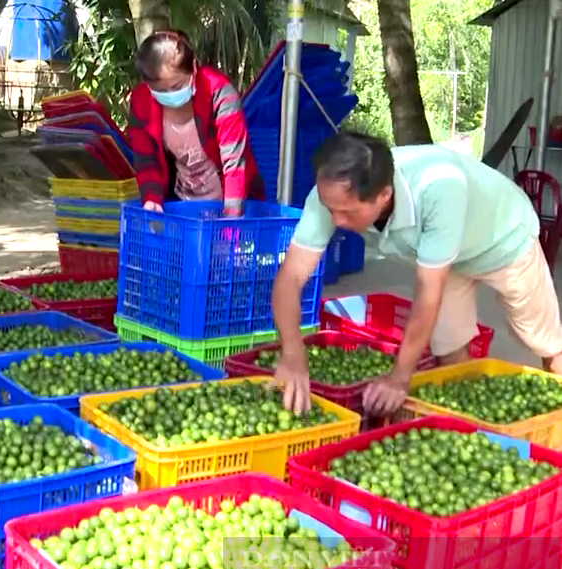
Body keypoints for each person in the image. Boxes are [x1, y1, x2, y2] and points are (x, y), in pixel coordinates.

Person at [271, 131, 562, 415]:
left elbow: (427, 294)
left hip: (504, 240)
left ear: (384, 195)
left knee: (547, 345)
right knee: (449, 350)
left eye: (348, 212)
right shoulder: (332, 195)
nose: (335, 220)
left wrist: (399, 377)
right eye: (330, 209)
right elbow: (291, 277)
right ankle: (464, 423)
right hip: (444, 257)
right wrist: (294, 355)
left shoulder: (440, 188)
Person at [126, 30, 264, 217]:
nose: (169, 94)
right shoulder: (141, 102)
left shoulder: (219, 92)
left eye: (176, 86)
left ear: (193, 67)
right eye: (160, 90)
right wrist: (152, 201)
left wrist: (231, 217)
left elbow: (234, 162)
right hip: (182, 204)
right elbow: (146, 161)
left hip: (235, 200)